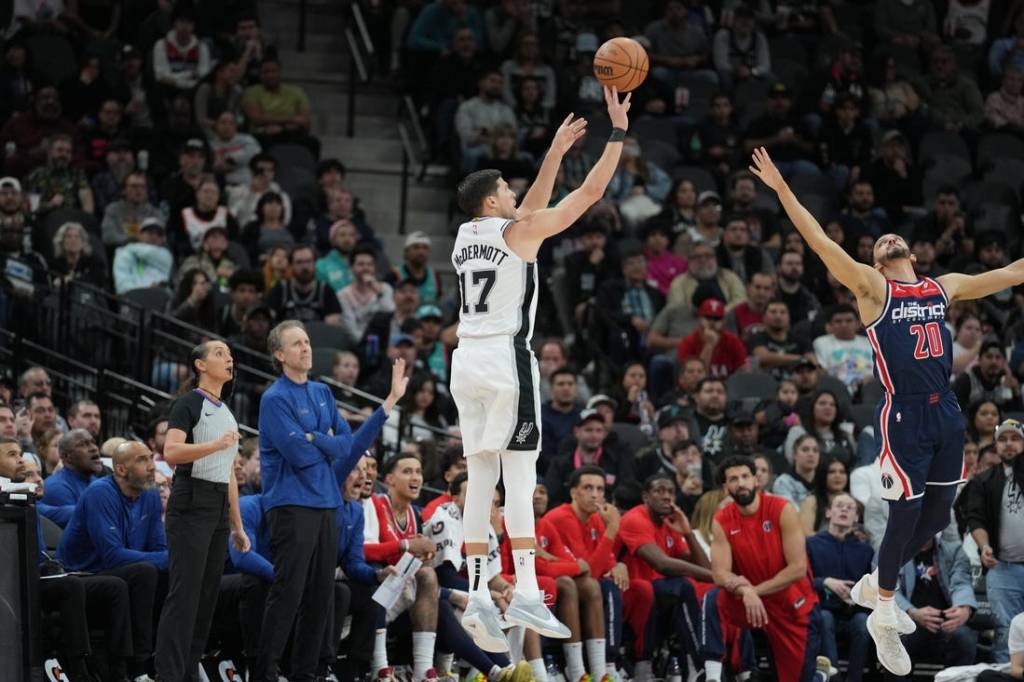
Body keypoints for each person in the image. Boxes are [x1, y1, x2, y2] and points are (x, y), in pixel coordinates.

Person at [750, 145, 1024, 676]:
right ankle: (882, 611)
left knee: (941, 516)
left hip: (946, 409)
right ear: (876, 262)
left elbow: (1013, 271)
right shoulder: (873, 288)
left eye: (894, 240)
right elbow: (820, 242)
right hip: (903, 415)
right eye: (880, 244)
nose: (888, 240)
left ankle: (875, 581)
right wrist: (783, 190)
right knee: (903, 513)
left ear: (912, 255)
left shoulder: (943, 288)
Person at [449, 87, 630, 648]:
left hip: (465, 363)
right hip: (507, 360)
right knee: (522, 476)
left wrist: (553, 150)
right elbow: (592, 192)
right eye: (506, 189)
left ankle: (479, 593)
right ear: (491, 203)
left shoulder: (466, 236)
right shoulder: (518, 234)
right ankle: (526, 589)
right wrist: (617, 132)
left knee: (481, 476)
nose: (513, 194)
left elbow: (528, 210)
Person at [252, 320, 407, 682]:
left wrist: (389, 403)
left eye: (306, 341)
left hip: (325, 507)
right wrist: (327, 441)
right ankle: (264, 673)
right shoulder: (274, 399)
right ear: (279, 354)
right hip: (291, 506)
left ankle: (306, 674)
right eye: (296, 344)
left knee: (320, 598)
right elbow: (300, 455)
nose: (305, 348)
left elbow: (347, 447)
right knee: (288, 594)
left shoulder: (322, 392)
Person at [154, 341, 251, 681]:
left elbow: (228, 473)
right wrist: (216, 444)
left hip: (216, 506)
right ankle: (168, 674)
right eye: (220, 354)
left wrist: (237, 525)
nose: (229, 358)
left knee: (205, 599)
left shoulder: (225, 411)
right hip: (190, 500)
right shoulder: (188, 403)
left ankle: (187, 671)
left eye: (230, 354)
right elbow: (172, 452)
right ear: (200, 364)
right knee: (185, 596)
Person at [703, 456, 822, 682]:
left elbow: (798, 568)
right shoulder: (721, 519)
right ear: (725, 487)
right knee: (714, 598)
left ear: (756, 480)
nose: (741, 483)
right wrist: (746, 592)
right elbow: (719, 573)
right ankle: (712, 674)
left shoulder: (781, 508)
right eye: (733, 479)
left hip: (792, 606)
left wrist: (753, 591)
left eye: (745, 476)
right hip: (750, 604)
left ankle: (817, 676)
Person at [57, 441, 167, 680]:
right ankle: (140, 666)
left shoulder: (150, 495)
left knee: (170, 573)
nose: (151, 466)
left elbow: (159, 546)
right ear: (120, 470)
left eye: (151, 458)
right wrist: (172, 559)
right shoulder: (100, 493)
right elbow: (113, 555)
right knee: (146, 572)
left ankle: (169, 658)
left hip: (122, 570)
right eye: (142, 460)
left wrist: (174, 561)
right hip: (84, 574)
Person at [618, 472, 712, 679]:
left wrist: (687, 532)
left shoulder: (669, 523)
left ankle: (699, 668)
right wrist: (717, 576)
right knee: (683, 586)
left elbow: (702, 567)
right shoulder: (635, 519)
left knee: (692, 591)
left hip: (658, 594)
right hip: (629, 592)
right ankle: (700, 665)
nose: (667, 496)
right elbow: (662, 565)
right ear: (645, 497)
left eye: (671, 492)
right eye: (659, 491)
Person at [967, 418, 1024, 663]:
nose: (1009, 444)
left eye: (1015, 439)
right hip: (1003, 568)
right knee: (1005, 632)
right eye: (1002, 439)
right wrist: (984, 546)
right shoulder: (984, 480)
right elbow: (975, 518)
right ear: (995, 445)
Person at [805, 493, 874, 682]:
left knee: (862, 622)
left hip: (853, 612)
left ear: (857, 517)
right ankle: (833, 678)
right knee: (825, 618)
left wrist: (857, 597)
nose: (844, 509)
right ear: (828, 513)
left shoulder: (865, 550)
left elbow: (871, 588)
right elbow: (801, 581)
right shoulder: (811, 544)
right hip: (823, 610)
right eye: (839, 505)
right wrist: (825, 581)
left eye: (850, 507)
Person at [40, 429, 101, 527]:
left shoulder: (98, 483)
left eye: (93, 442)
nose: (94, 448)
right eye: (83, 444)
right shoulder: (56, 486)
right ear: (66, 456)